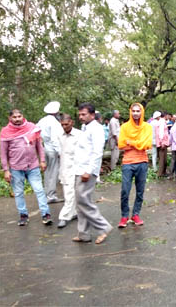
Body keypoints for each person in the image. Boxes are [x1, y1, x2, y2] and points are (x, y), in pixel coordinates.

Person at [0, 109, 53, 226]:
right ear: (10, 118)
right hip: (16, 168)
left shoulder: (31, 127)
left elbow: (39, 145)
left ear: (22, 116)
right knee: (18, 193)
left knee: (39, 190)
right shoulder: (5, 132)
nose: (17, 119)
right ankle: (23, 215)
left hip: (33, 166)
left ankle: (46, 214)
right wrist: (6, 170)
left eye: (19, 116)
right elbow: (3, 153)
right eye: (14, 117)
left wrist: (42, 160)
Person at [72, 103, 112, 244]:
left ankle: (103, 227)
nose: (81, 117)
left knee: (84, 201)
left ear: (92, 115)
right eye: (80, 114)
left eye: (84, 114)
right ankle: (84, 234)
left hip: (87, 171)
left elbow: (97, 152)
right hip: (79, 169)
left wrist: (88, 171)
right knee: (80, 202)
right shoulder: (85, 127)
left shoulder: (96, 129)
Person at [117, 103, 152, 228]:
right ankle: (124, 216)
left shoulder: (147, 127)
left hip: (142, 161)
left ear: (142, 112)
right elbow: (121, 145)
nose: (136, 113)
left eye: (138, 111)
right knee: (125, 191)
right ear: (130, 112)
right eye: (134, 111)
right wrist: (139, 144)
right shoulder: (124, 127)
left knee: (140, 191)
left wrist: (131, 142)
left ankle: (135, 214)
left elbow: (147, 144)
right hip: (128, 162)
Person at [57, 114, 82, 228]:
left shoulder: (80, 135)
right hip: (65, 168)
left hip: (77, 168)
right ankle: (69, 214)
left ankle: (67, 215)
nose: (64, 127)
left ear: (72, 122)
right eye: (62, 125)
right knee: (68, 193)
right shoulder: (59, 135)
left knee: (74, 193)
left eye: (66, 124)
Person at [37, 101, 64, 203]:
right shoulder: (54, 122)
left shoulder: (42, 120)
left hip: (44, 148)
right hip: (52, 149)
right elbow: (54, 139)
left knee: (47, 172)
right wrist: (60, 152)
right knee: (53, 173)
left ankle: (46, 193)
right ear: (56, 111)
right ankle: (51, 195)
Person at [155, 111, 170, 178]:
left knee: (164, 158)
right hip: (162, 143)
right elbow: (161, 133)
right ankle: (160, 173)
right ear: (165, 115)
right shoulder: (162, 122)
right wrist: (162, 142)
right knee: (162, 158)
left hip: (160, 142)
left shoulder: (160, 122)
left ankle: (163, 172)